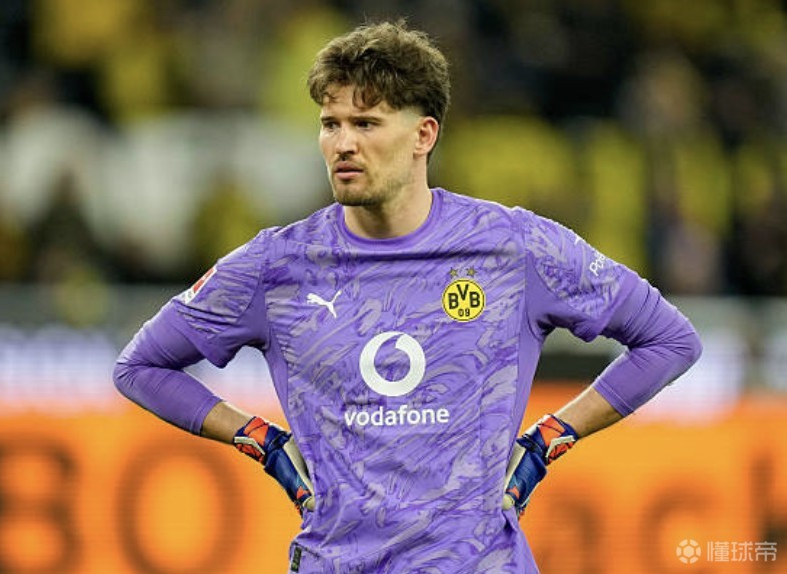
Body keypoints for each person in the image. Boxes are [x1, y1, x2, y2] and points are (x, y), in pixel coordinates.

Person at [113, 20, 702, 574]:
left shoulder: (514, 247)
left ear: (424, 135)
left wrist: (550, 437)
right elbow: (141, 367)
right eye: (330, 124)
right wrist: (261, 440)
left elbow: (669, 340)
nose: (343, 143)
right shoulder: (277, 264)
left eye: (366, 124)